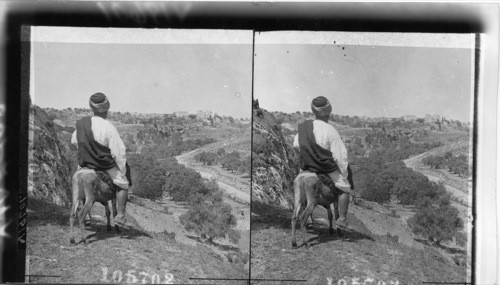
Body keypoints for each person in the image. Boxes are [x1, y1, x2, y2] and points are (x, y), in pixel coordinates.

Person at [293, 96, 357, 228]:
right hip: (325, 168)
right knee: (344, 187)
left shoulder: (304, 128)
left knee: (300, 184)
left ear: (313, 110)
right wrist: (344, 174)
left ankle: (307, 217)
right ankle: (342, 219)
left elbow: (296, 145)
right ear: (329, 111)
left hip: (307, 167)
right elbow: (341, 156)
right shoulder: (331, 131)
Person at [71, 92, 130, 226]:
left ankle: (81, 207)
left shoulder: (82, 125)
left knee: (78, 178)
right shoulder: (109, 127)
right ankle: (120, 215)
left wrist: (87, 152)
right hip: (104, 165)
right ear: (107, 108)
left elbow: (74, 142)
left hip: (85, 164)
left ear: (91, 107)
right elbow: (118, 152)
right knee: (123, 184)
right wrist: (122, 169)